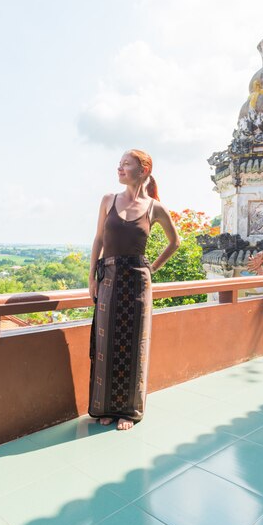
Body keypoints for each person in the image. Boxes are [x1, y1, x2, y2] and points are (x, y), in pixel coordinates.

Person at [88, 149, 180, 430]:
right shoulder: (108, 200)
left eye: (126, 164)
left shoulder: (154, 208)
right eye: (120, 164)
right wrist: (92, 277)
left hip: (138, 282)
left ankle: (129, 411)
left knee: (134, 346)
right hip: (109, 279)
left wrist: (152, 268)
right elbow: (99, 240)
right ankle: (105, 407)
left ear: (144, 171)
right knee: (106, 343)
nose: (120, 168)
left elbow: (175, 242)